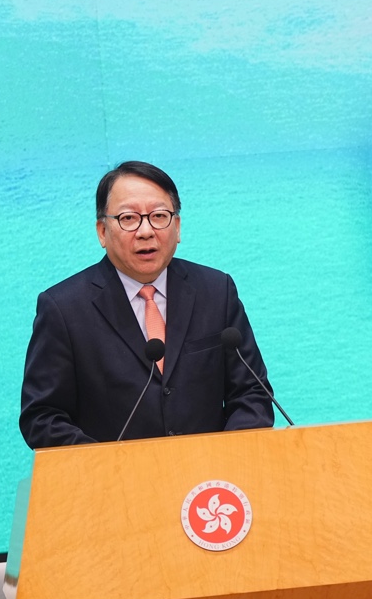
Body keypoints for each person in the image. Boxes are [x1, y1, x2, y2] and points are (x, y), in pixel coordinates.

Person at [19, 161, 275, 448]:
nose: (146, 231)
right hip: (113, 475)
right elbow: (42, 417)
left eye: (159, 216)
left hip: (208, 473)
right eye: (128, 218)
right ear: (102, 231)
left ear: (177, 227)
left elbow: (252, 393)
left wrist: (222, 457)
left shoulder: (216, 291)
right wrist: (107, 465)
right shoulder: (64, 309)